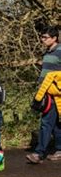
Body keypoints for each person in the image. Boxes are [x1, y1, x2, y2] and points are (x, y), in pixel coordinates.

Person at [27, 26, 61, 164]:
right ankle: (59, 150)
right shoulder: (47, 52)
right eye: (41, 37)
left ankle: (38, 153)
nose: (42, 40)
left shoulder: (60, 52)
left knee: (46, 122)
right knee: (55, 125)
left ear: (54, 38)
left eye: (45, 37)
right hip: (45, 93)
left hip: (55, 94)